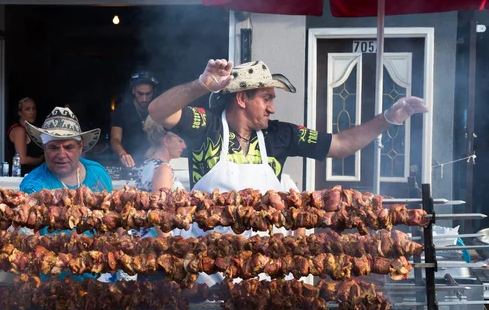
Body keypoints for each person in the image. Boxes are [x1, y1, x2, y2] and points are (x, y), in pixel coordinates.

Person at [149, 59, 428, 195]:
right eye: (267, 98)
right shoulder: (207, 126)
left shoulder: (281, 134)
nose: (273, 108)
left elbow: (341, 145)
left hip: (268, 274)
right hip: (211, 273)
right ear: (242, 98)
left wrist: (388, 119)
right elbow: (158, 111)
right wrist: (201, 85)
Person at [19, 107, 113, 286]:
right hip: (51, 287)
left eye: (69, 147)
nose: (61, 154)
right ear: (44, 148)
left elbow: (115, 223)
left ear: (81, 147)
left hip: (96, 283)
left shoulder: (98, 173)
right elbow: (30, 243)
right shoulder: (33, 185)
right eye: (53, 147)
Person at [133, 116, 186, 238]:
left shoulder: (146, 165)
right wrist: (167, 247)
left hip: (144, 240)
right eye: (180, 141)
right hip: (158, 241)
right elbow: (159, 212)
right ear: (166, 141)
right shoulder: (163, 169)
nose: (184, 146)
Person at [110, 71, 158, 168]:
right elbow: (115, 139)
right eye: (140, 94)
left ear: (153, 92)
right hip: (128, 163)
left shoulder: (159, 109)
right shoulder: (122, 110)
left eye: (148, 94)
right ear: (133, 91)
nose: (144, 99)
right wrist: (123, 154)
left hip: (155, 161)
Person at [8, 97, 44, 176]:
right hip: (22, 176)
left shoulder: (32, 130)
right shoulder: (19, 130)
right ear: (19, 112)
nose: (32, 112)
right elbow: (21, 159)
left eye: (34, 109)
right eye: (27, 109)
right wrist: (41, 160)